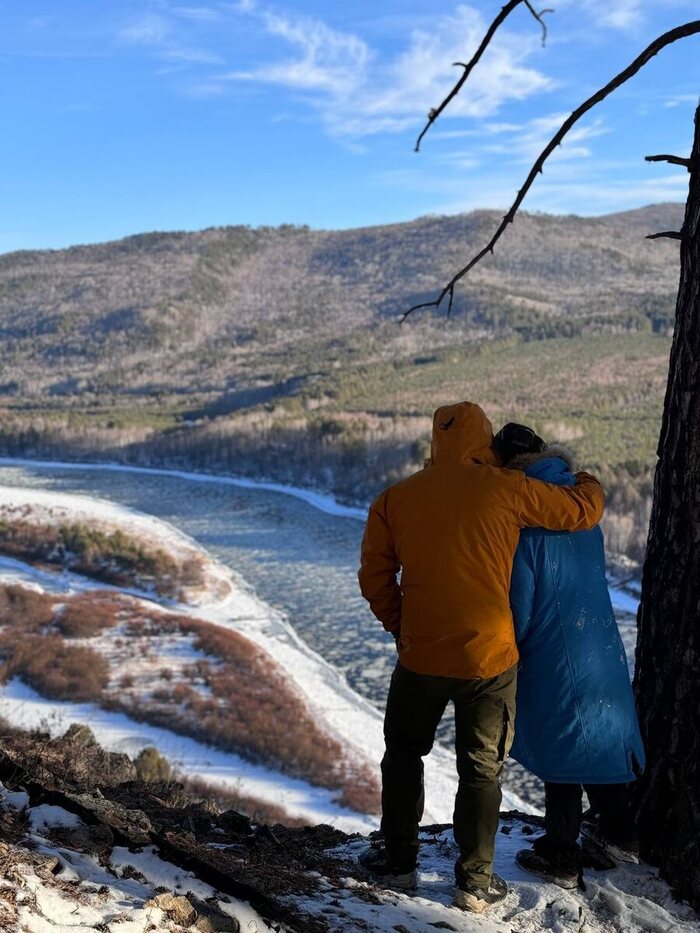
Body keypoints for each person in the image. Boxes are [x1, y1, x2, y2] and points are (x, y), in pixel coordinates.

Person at [357, 402, 606, 914]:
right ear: (485, 442)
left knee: (403, 755)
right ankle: (474, 883)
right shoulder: (507, 490)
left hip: (420, 656)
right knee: (480, 770)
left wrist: (402, 627)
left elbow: (374, 578)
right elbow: (582, 511)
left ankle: (399, 862)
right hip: (489, 659)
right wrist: (586, 477)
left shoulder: (396, 499)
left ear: (436, 442)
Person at [493, 423, 645, 890]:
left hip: (556, 648)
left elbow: (520, 603)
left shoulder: (528, 521)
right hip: (599, 643)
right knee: (598, 733)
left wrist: (503, 651)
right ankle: (619, 833)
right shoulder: (584, 510)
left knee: (564, 746)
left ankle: (561, 853)